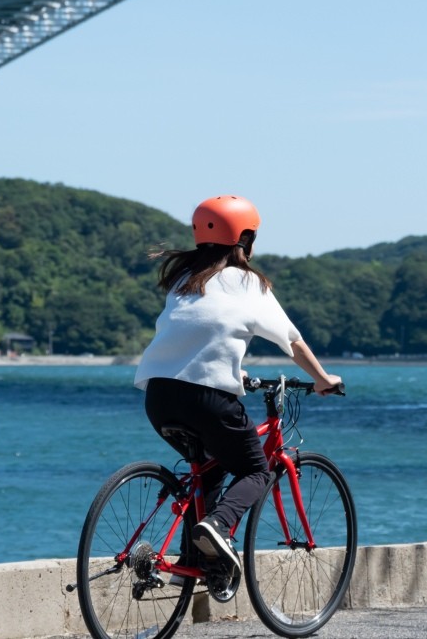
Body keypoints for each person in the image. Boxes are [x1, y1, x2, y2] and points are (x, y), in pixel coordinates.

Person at [133, 194, 342, 582]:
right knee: (256, 472)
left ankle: (190, 564)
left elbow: (199, 333)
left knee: (209, 469)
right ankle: (218, 527)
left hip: (158, 396)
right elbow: (292, 341)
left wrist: (235, 370)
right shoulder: (248, 282)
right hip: (207, 398)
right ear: (245, 238)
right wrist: (323, 378)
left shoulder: (184, 280)